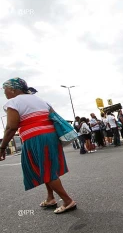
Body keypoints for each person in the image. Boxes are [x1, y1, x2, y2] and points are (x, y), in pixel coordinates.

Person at [0, 77, 76, 214]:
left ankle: (68, 201)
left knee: (47, 170)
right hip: (51, 136)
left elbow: (11, 127)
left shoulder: (13, 102)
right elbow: (53, 117)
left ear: (12, 89)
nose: (4, 93)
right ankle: (50, 198)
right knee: (45, 167)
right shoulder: (41, 100)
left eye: (4, 89)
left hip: (35, 138)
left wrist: (2, 147)